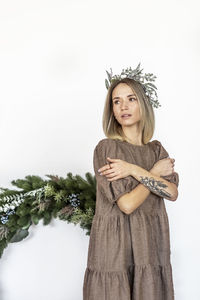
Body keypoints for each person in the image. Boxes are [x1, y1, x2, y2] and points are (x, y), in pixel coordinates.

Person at [83, 64, 179, 300]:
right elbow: (126, 205)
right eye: (116, 101)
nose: (123, 106)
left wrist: (134, 169)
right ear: (111, 109)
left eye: (131, 99)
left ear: (143, 105)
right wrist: (152, 173)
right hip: (115, 249)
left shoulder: (156, 150)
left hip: (150, 245)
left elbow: (172, 192)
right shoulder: (107, 148)